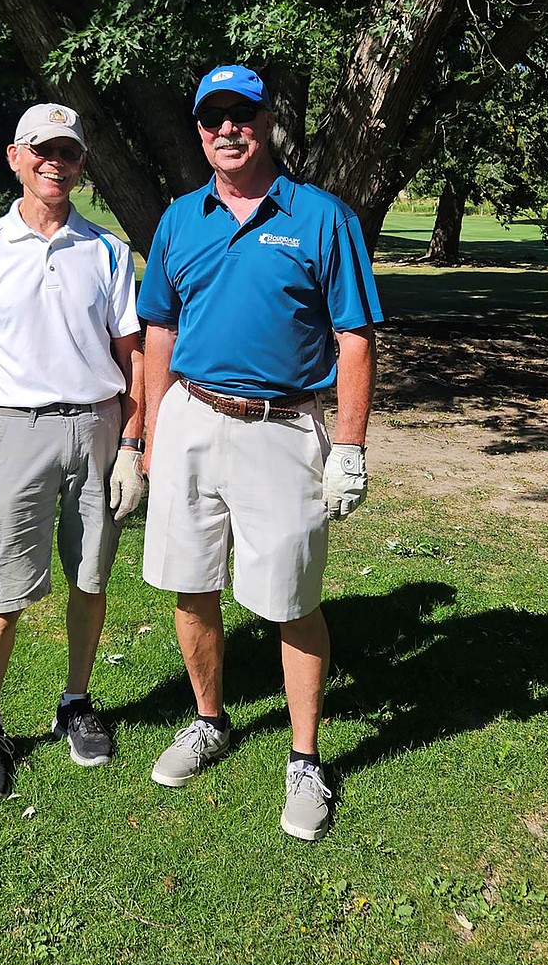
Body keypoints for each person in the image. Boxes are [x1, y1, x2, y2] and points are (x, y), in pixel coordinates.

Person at [137, 64, 382, 842]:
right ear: (199, 131)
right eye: (213, 119)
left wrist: (348, 446)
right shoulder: (179, 219)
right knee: (189, 581)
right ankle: (210, 719)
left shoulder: (321, 217)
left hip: (283, 429)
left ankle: (305, 759)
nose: (227, 130)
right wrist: (140, 435)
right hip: (191, 419)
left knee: (291, 598)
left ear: (269, 120)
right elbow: (159, 334)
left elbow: (354, 336)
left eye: (242, 115)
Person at [0, 102, 145, 802]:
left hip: (96, 427)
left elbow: (135, 356)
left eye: (67, 152)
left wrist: (131, 442)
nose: (54, 162)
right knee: (3, 591)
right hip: (18, 430)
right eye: (42, 150)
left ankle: (75, 702)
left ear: (83, 164)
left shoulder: (109, 251)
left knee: (90, 580)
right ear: (15, 157)